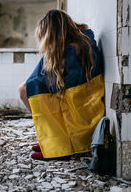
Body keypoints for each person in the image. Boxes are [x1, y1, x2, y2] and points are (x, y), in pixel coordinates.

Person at [19, 10, 105, 161]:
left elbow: (68, 82)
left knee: (26, 91)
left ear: (53, 33)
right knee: (27, 90)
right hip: (84, 98)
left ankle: (59, 145)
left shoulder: (72, 49)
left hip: (81, 103)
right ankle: (54, 139)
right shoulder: (83, 39)